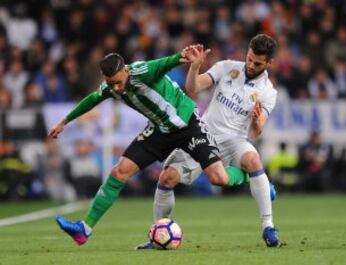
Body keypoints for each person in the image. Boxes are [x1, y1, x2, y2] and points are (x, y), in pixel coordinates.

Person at [49, 46, 249, 245]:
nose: (116, 88)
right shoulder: (110, 87)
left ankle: (247, 174)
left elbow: (168, 62)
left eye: (118, 82)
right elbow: (92, 99)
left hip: (187, 124)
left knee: (219, 178)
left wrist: (185, 56)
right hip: (160, 130)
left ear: (125, 70)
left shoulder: (143, 71)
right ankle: (84, 229)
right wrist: (64, 122)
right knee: (119, 172)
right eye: (111, 84)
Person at [136, 34, 281, 249]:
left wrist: (257, 120)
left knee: (253, 159)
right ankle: (157, 235)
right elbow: (193, 88)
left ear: (269, 63)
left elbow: (255, 132)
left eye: (257, 63)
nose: (250, 65)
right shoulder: (227, 67)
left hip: (235, 141)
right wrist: (195, 67)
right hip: (203, 135)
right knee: (167, 178)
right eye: (249, 58)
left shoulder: (269, 92)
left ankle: (268, 227)